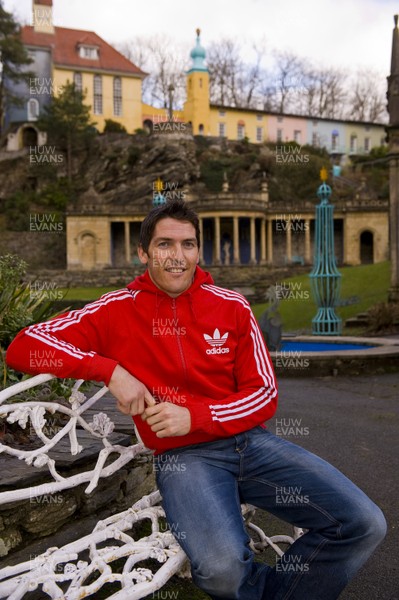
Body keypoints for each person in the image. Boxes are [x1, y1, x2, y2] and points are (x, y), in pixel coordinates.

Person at [6, 199, 386, 600]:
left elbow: (264, 393)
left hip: (251, 444)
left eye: (188, 244)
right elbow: (25, 345)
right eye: (165, 244)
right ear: (144, 252)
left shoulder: (232, 306)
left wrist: (197, 416)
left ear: (198, 250)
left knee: (364, 522)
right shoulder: (115, 309)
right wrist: (111, 372)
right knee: (222, 571)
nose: (177, 256)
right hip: (185, 460)